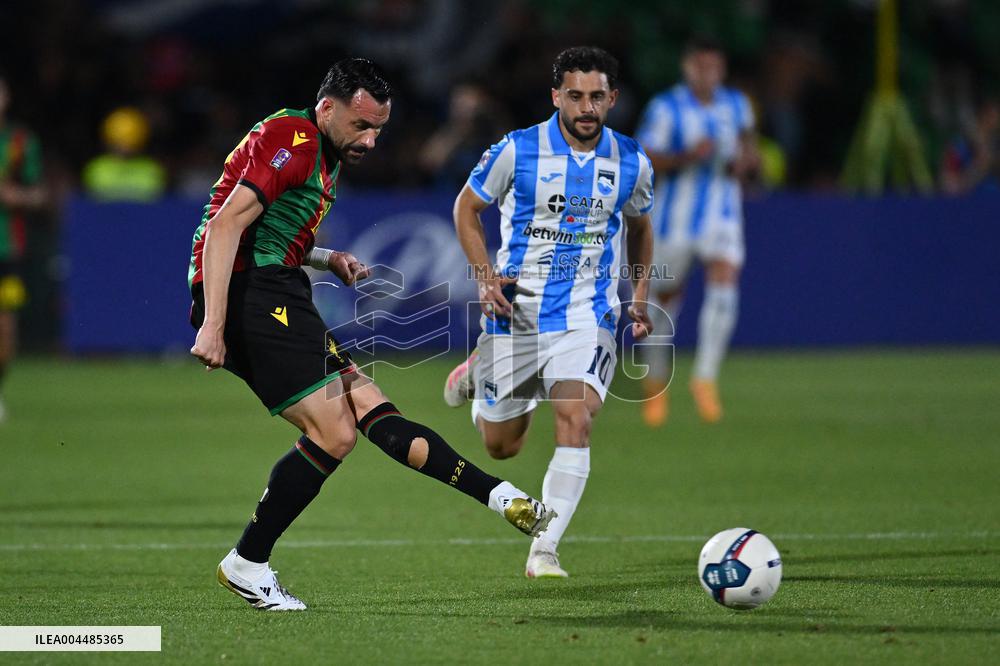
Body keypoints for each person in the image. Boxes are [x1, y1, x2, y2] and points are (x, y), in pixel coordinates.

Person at [188, 58, 554, 612]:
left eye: (379, 128)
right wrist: (214, 324)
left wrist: (325, 256)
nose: (371, 140)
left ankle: (501, 498)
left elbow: (267, 227)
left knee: (371, 408)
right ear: (328, 107)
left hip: (280, 290)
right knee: (334, 432)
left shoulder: (322, 155)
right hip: (250, 294)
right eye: (361, 126)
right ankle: (248, 563)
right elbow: (224, 227)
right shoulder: (295, 136)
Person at [442, 47, 655, 578]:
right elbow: (467, 209)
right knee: (501, 447)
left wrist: (639, 295)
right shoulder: (517, 150)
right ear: (556, 96)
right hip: (517, 313)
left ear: (613, 98)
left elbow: (641, 225)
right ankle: (477, 377)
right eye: (576, 95)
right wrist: (486, 275)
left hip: (590, 315)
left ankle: (545, 548)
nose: (587, 107)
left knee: (576, 417)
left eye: (597, 96)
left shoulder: (632, 160)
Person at [633, 37, 760, 425]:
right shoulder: (666, 107)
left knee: (725, 277)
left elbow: (749, 149)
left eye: (714, 67)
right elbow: (645, 156)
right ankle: (655, 385)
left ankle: (704, 379)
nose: (708, 75)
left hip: (723, 214)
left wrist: (745, 163)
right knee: (664, 300)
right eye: (701, 67)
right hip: (675, 219)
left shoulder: (736, 104)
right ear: (688, 68)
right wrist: (689, 156)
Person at [0, 75, 45, 423]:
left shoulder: (18, 141)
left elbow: (39, 194)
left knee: (5, 326)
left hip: (6, 249)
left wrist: (16, 196)